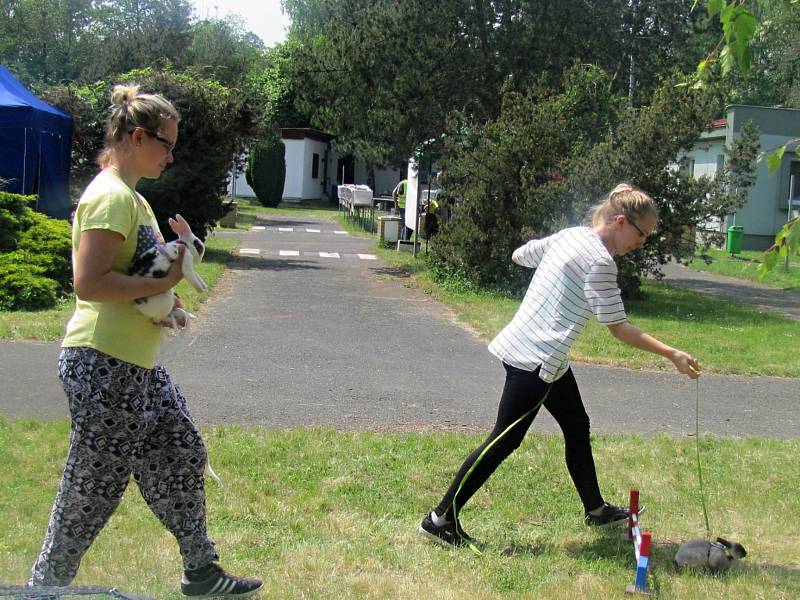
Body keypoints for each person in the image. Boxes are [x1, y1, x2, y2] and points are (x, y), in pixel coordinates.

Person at [28, 84, 263, 598]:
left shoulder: (133, 200)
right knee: (92, 487)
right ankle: (42, 588)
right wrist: (163, 286)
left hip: (133, 363)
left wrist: (166, 305)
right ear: (138, 136)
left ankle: (201, 571)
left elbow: (136, 278)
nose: (171, 155)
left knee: (181, 448)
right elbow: (90, 284)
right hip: (102, 363)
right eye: (166, 144)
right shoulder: (110, 197)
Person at [419, 183, 701, 550]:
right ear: (620, 222)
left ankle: (595, 509)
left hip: (547, 358)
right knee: (504, 440)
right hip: (536, 360)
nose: (642, 243)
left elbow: (522, 254)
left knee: (576, 424)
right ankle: (441, 518)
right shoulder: (600, 262)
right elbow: (619, 327)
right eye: (642, 234)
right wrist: (672, 354)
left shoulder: (571, 236)